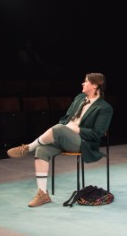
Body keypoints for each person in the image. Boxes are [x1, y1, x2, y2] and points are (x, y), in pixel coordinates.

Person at [6, 73, 113, 207]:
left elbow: (97, 134)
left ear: (95, 85)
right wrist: (65, 128)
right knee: (42, 149)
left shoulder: (105, 108)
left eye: (86, 81)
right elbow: (66, 117)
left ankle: (28, 148)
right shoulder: (80, 98)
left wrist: (72, 129)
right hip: (65, 137)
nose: (82, 83)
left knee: (58, 129)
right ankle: (43, 194)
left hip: (83, 142)